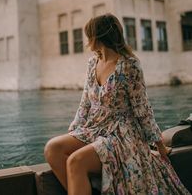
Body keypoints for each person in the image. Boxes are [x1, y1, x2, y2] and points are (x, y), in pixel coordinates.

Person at [44, 13, 191, 195]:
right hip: (95, 127)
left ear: (99, 36)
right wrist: (75, 129)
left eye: (90, 34)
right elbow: (86, 102)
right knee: (53, 149)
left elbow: (143, 110)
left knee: (76, 161)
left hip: (121, 134)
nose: (88, 39)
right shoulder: (93, 63)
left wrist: (159, 146)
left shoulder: (130, 66)